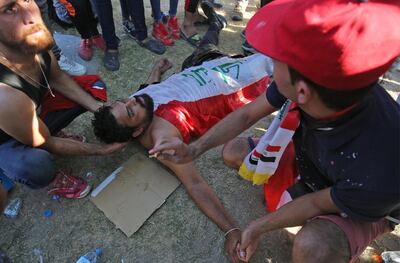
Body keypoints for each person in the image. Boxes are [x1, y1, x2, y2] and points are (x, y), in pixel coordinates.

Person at [150, 0, 400, 262]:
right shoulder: (322, 82)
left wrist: (257, 226)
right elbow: (247, 114)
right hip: (318, 164)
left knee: (314, 248)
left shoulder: (381, 174)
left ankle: (366, 227)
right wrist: (194, 149)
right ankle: (300, 184)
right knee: (234, 152)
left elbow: (316, 203)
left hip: (364, 204)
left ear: (302, 92)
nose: (270, 61)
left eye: (277, 59)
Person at [92, 3, 271, 262]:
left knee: (204, 49)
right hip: (238, 82)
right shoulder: (162, 138)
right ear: (138, 131)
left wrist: (156, 71)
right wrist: (231, 229)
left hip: (198, 69)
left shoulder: (138, 105)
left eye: (124, 101)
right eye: (130, 111)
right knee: (274, 59)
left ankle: (215, 25)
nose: (133, 101)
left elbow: (145, 91)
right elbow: (195, 184)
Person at [0, 0, 125, 199]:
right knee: (36, 165)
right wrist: (101, 150)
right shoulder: (4, 93)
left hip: (28, 111)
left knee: (94, 89)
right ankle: (50, 179)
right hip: (5, 139)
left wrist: (101, 109)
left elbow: (57, 78)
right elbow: (45, 141)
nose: (31, 15)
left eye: (26, 0)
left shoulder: (34, 37)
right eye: (9, 9)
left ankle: (49, 127)